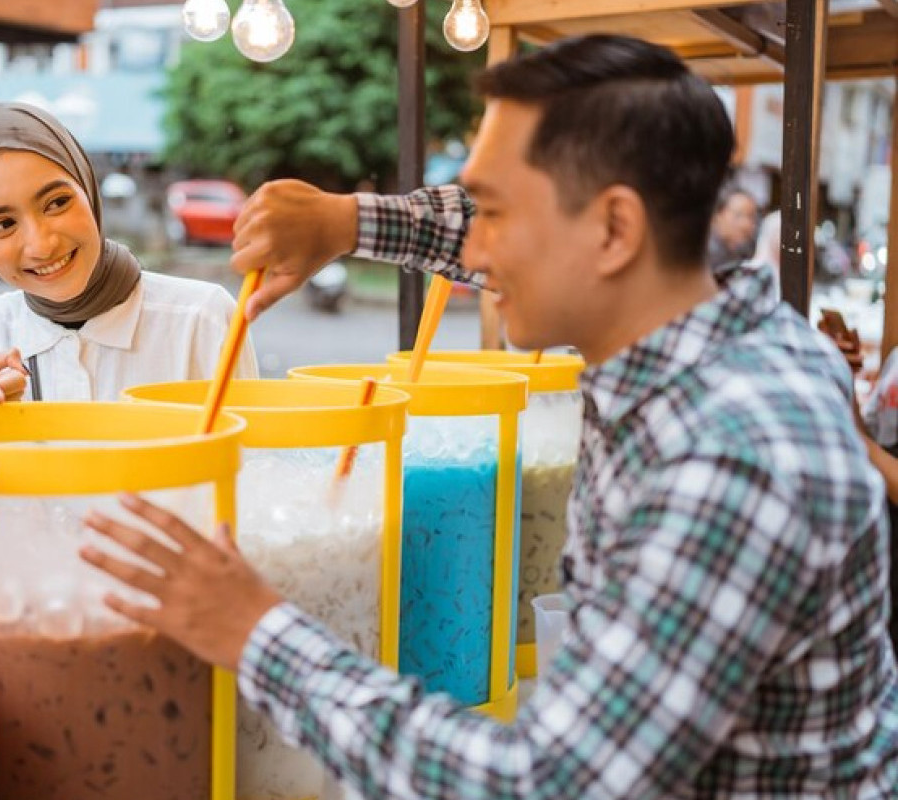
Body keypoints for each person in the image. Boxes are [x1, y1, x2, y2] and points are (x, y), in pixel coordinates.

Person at [78, 34, 898, 798]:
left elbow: (540, 781)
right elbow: (494, 222)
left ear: (615, 229)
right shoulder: (711, 339)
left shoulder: (735, 457)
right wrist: (344, 221)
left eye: (496, 215)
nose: (471, 255)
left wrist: (253, 631)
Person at [0, 102, 256, 407]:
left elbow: (253, 463)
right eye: (2, 224)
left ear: (88, 187)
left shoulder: (200, 318)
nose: (41, 245)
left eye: (56, 203)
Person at [707, 181, 759, 269]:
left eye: (751, 216)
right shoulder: (701, 255)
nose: (745, 224)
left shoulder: (747, 250)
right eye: (738, 215)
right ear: (717, 215)